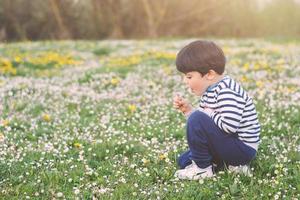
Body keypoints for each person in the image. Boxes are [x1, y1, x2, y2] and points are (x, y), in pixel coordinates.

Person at [173, 40, 260, 180]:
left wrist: (203, 114)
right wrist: (189, 110)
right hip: (230, 143)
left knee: (197, 119)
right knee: (183, 160)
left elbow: (229, 126)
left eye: (189, 76)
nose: (185, 81)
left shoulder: (227, 92)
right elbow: (205, 125)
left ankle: (203, 171)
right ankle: (231, 166)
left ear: (209, 74)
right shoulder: (211, 90)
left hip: (242, 149)